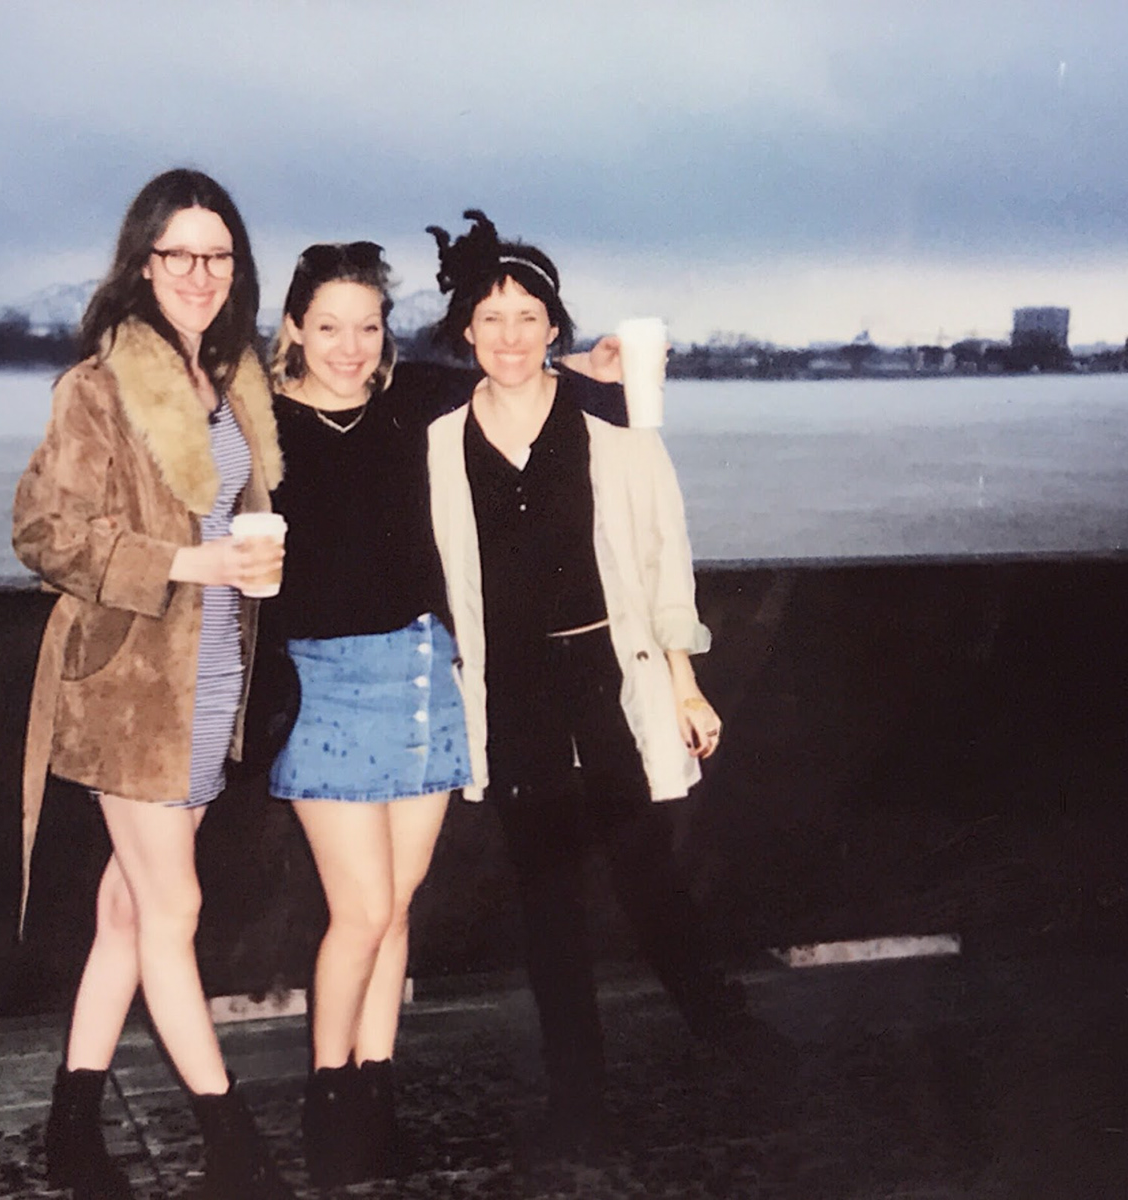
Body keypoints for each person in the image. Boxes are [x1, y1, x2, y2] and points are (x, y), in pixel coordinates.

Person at [420, 210, 793, 1164]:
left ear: (555, 327)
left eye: (528, 317)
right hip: (513, 694)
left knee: (647, 875)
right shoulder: (439, 443)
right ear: (466, 329)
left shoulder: (613, 429)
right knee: (546, 903)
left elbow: (665, 560)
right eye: (491, 318)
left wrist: (687, 683)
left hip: (605, 677)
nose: (510, 335)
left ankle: (732, 1035)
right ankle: (576, 1097)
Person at [259, 240, 626, 1186]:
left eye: (367, 327)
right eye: (329, 326)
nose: (350, 347)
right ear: (294, 328)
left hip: (424, 670)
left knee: (395, 907)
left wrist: (593, 369)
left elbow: (512, 375)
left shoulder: (412, 399)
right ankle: (327, 1101)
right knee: (360, 909)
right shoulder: (256, 423)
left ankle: (375, 1092)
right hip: (324, 685)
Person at [11, 168, 293, 1200]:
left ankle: (70, 1130)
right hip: (130, 691)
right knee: (173, 908)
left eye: (219, 256)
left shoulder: (233, 380)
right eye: (180, 254)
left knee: (130, 911)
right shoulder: (97, 389)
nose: (201, 274)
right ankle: (234, 1147)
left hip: (208, 683)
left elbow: (364, 368)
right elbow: (44, 532)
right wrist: (187, 562)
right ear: (143, 263)